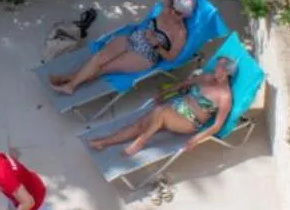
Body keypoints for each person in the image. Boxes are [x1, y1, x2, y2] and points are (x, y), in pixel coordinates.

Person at [48, 0, 196, 95]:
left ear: (185, 15)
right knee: (98, 58)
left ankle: (70, 85)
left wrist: (155, 44)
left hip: (145, 55)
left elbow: (172, 58)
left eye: (177, 12)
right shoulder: (166, 11)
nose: (172, 12)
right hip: (133, 38)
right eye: (173, 8)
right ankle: (69, 78)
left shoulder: (180, 33)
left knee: (105, 68)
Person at [89, 54, 238, 156]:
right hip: (176, 107)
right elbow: (183, 84)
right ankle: (104, 142)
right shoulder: (207, 77)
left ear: (227, 72)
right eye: (217, 66)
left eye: (219, 67)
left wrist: (196, 139)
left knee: (161, 111)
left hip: (189, 122)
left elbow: (217, 125)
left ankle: (141, 141)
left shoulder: (225, 97)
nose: (215, 69)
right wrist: (163, 94)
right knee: (140, 124)